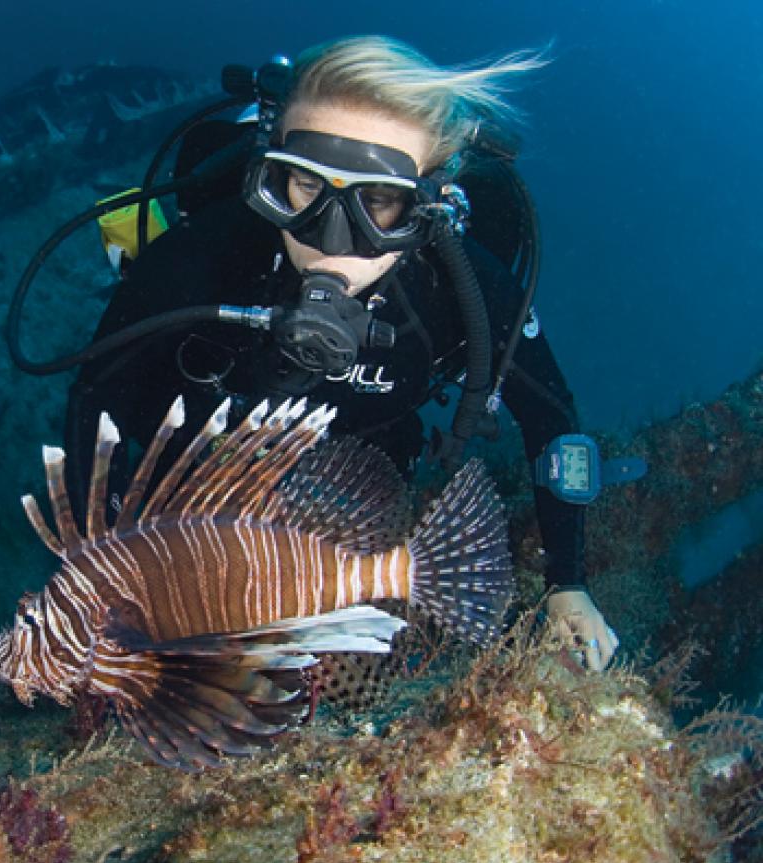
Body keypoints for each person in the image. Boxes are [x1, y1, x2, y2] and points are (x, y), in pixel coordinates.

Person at [63, 36, 618, 671]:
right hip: (190, 491)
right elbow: (96, 392)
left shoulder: (470, 291)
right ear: (269, 174)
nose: (334, 238)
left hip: (361, 492)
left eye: (379, 201)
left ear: (429, 202)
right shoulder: (199, 254)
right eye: (304, 184)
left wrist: (567, 584)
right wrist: (94, 553)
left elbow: (554, 425)